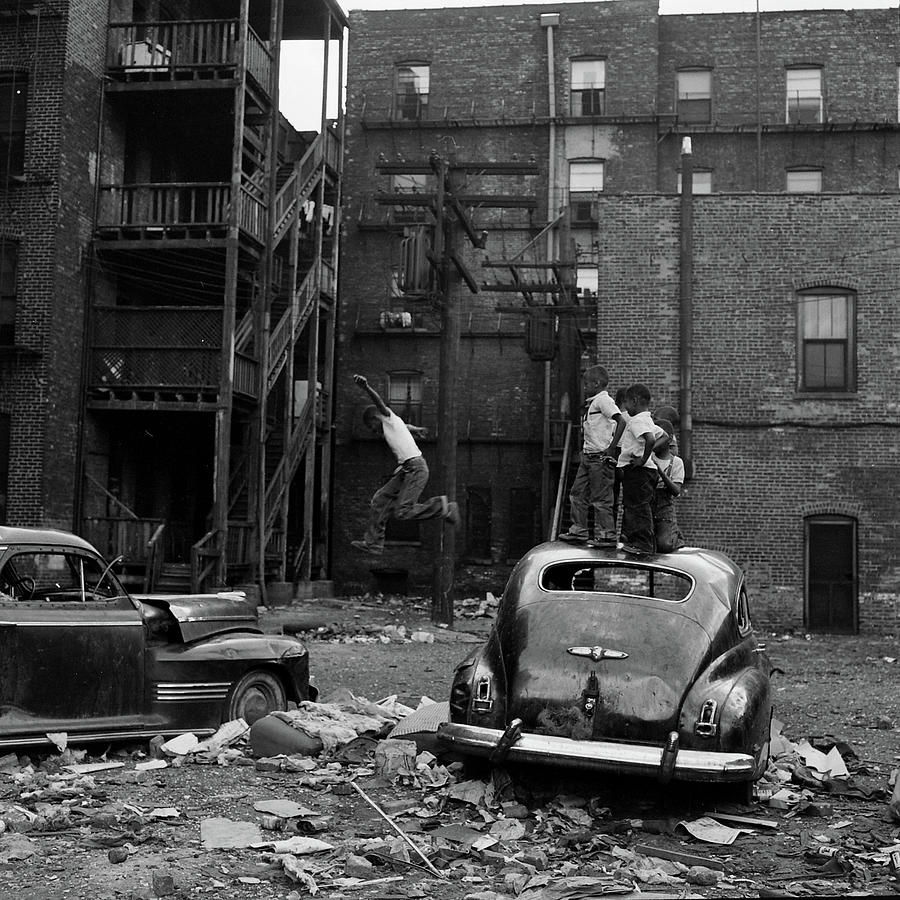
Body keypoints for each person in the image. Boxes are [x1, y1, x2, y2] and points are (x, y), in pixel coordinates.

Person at [350, 373, 459, 555]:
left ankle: (444, 507)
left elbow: (380, 404)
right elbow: (404, 426)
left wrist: (366, 388)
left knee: (402, 511)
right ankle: (374, 543)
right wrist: (415, 430)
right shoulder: (394, 423)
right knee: (379, 499)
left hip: (416, 468)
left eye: (372, 427)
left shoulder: (386, 417)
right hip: (406, 469)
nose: (374, 432)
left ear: (374, 418)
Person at [560, 365, 625, 547]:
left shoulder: (603, 401)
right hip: (587, 457)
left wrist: (611, 448)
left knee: (601, 498)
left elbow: (621, 421)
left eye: (587, 384)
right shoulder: (592, 403)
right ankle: (579, 530)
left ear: (597, 383)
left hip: (599, 459)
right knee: (577, 493)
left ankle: (607, 535)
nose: (585, 387)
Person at [616, 383, 666, 555]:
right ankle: (638, 540)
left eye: (627, 403)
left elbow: (651, 439)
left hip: (638, 471)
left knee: (637, 507)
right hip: (645, 471)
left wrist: (643, 459)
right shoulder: (647, 419)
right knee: (640, 506)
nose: (626, 407)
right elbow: (663, 436)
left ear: (635, 401)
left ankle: (642, 544)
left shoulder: (637, 420)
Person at [651, 419, 685, 553]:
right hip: (648, 506)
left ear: (669, 439)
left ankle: (676, 535)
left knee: (664, 545)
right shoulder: (648, 457)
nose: (655, 442)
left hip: (665, 509)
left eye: (659, 437)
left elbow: (676, 490)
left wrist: (659, 471)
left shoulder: (676, 462)